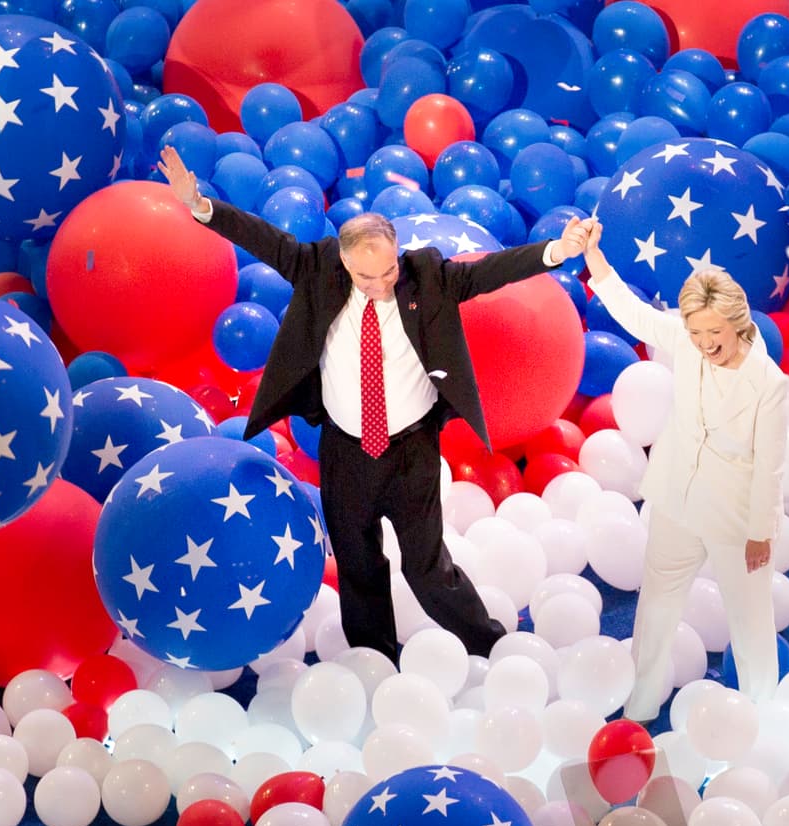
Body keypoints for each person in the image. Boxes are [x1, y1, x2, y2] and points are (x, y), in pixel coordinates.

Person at [157, 146, 588, 664]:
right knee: (360, 566)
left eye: (387, 271)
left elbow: (492, 270)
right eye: (368, 277)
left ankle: (489, 643)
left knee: (427, 568)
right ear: (343, 261)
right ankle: (374, 660)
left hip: (412, 451)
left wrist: (555, 252)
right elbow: (261, 238)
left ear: (396, 252)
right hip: (346, 451)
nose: (381, 285)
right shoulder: (315, 269)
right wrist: (200, 205)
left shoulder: (426, 275)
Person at [581, 218, 789, 721]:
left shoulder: (768, 383)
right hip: (676, 500)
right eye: (695, 332)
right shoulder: (682, 336)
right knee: (655, 608)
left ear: (738, 325)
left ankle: (760, 715)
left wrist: (761, 533)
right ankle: (641, 704)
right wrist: (596, 261)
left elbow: (770, 468)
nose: (703, 343)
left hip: (735, 521)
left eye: (713, 333)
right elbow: (633, 314)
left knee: (751, 622)